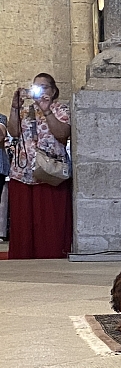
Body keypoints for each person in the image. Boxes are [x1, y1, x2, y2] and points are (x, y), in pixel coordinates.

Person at [6, 73, 72, 259]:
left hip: (50, 174)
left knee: (50, 223)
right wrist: (14, 108)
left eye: (44, 87)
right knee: (23, 224)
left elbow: (62, 134)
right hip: (23, 172)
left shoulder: (61, 109)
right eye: (36, 87)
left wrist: (47, 110)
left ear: (53, 90)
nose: (40, 91)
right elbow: (13, 132)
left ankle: (51, 257)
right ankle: (22, 259)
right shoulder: (26, 111)